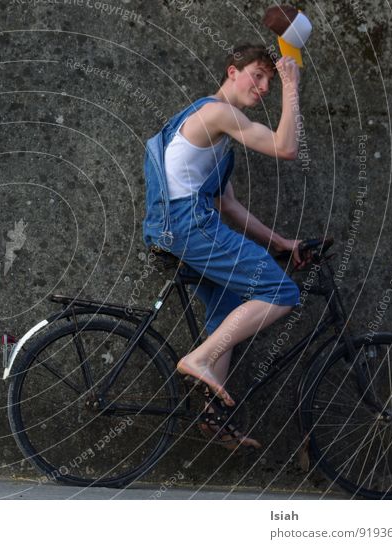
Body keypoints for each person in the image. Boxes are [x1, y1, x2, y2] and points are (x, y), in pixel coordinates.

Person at [142, 45, 308, 449]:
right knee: (281, 292)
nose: (264, 85)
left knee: (229, 310)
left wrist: (280, 242)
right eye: (257, 74)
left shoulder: (214, 131)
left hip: (180, 224)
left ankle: (212, 419)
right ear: (232, 72)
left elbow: (227, 204)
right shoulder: (217, 113)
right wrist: (291, 85)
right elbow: (287, 148)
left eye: (271, 79)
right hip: (188, 224)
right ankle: (198, 359)